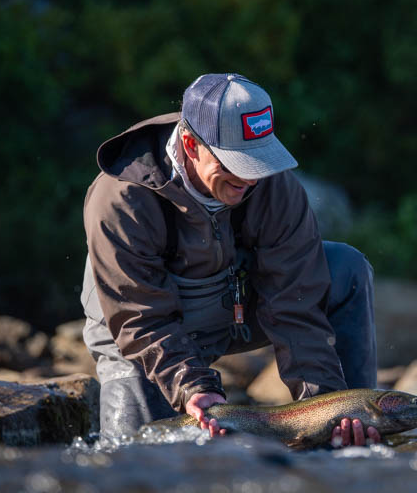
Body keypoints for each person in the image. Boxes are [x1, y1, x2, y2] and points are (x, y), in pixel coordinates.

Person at [80, 73, 380, 446]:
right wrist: (191, 386)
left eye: (259, 160)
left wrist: (325, 409)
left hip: (229, 310)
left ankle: (359, 425)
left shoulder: (273, 185)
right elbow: (141, 319)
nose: (251, 179)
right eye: (238, 162)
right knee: (138, 458)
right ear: (190, 144)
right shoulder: (121, 198)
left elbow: (295, 304)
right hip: (137, 335)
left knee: (345, 268)